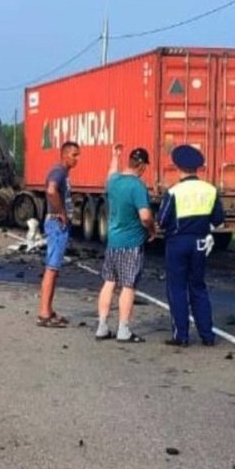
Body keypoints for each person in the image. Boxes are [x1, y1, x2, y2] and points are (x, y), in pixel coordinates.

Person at [157, 145, 225, 347]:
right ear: (197, 168)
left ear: (178, 168)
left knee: (177, 288)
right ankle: (207, 335)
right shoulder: (210, 190)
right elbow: (219, 219)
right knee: (198, 287)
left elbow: (161, 220)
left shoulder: (174, 192)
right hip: (200, 243)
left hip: (178, 243)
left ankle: (182, 335)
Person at [95, 145, 156, 342]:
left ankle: (102, 326)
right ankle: (123, 329)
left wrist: (115, 156)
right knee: (128, 286)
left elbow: (111, 172)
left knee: (109, 283)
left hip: (113, 242)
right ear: (142, 167)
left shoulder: (114, 182)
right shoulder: (137, 186)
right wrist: (152, 229)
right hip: (132, 244)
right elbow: (145, 216)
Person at [37, 141, 80, 327]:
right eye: (74, 155)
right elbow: (51, 190)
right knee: (52, 268)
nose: (77, 159)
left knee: (54, 269)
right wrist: (61, 212)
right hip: (56, 224)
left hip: (56, 224)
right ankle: (44, 312)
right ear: (64, 155)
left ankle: (48, 309)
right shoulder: (59, 171)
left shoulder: (62, 172)